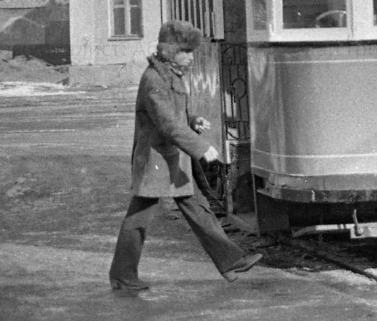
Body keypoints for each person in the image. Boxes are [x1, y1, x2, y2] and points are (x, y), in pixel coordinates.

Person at [109, 20, 264, 290]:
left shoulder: (169, 76)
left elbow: (174, 117)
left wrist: (193, 121)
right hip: (155, 160)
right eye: (187, 52)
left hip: (170, 158)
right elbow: (166, 124)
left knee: (198, 208)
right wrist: (201, 147)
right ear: (170, 51)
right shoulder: (154, 80)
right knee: (139, 217)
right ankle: (122, 275)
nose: (192, 58)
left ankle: (230, 261)